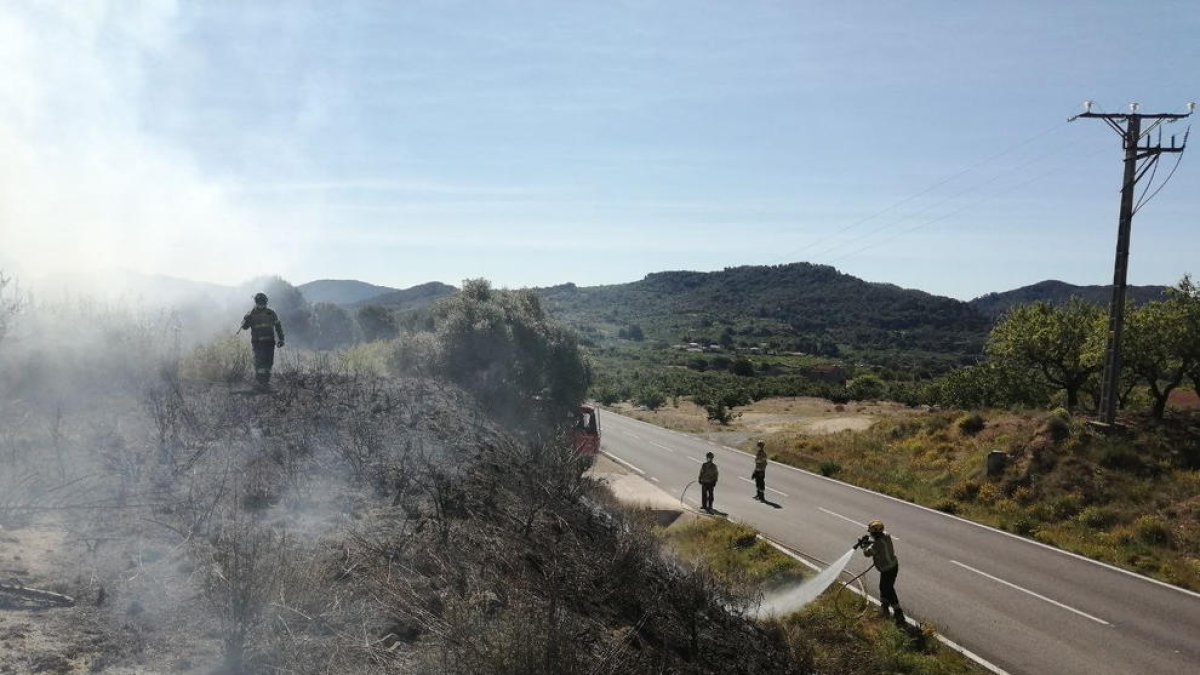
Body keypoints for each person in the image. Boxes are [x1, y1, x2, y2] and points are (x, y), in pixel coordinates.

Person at [862, 519, 906, 626]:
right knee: (884, 587)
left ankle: (898, 613)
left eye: (872, 532)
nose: (870, 534)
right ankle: (884, 608)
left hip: (887, 569)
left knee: (888, 589)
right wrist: (869, 541)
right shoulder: (886, 536)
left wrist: (864, 545)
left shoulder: (877, 544)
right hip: (893, 566)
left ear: (876, 533)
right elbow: (877, 542)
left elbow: (868, 553)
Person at [241, 292, 285, 389]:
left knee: (268, 362)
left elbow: (278, 327)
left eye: (263, 302)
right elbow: (244, 327)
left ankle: (265, 382)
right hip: (257, 343)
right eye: (260, 302)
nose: (262, 304)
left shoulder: (271, 313)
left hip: (269, 342)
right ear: (256, 302)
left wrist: (281, 339)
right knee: (259, 362)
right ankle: (260, 382)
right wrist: (246, 319)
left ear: (266, 302)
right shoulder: (251, 314)